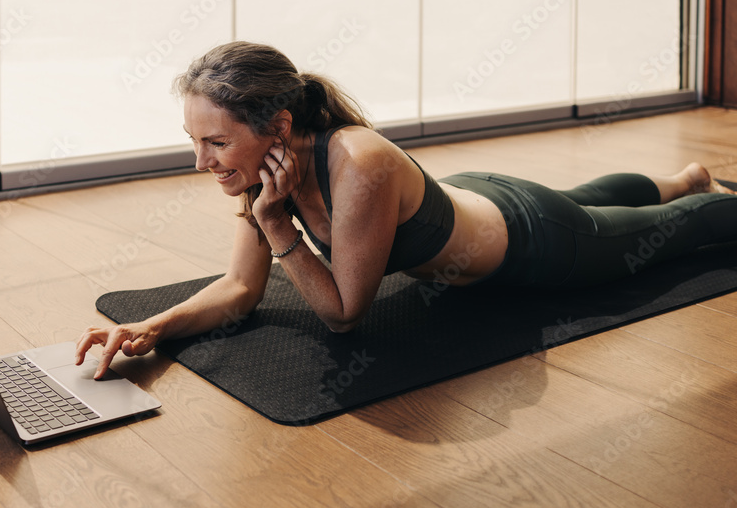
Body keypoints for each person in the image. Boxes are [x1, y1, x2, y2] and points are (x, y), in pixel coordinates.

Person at [76, 41, 737, 378]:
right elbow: (243, 288)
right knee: (590, 201)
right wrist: (153, 327)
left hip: (535, 245)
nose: (201, 162)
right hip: (486, 197)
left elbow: (342, 314)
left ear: (277, 124)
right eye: (195, 143)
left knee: (685, 229)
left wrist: (276, 225)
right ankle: (684, 174)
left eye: (215, 143)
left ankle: (692, 192)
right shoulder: (267, 166)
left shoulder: (357, 164)